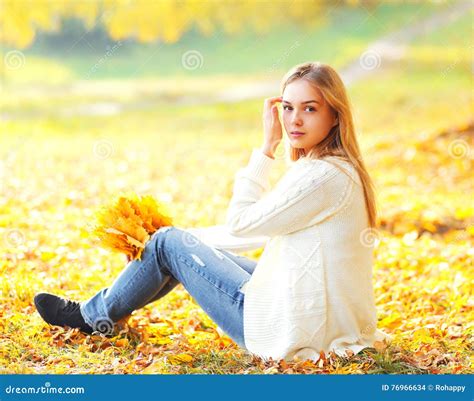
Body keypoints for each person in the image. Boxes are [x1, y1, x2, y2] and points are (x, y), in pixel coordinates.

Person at [34, 61, 391, 363]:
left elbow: (241, 224)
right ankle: (113, 309)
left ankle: (90, 316)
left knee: (168, 245)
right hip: (313, 316)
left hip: (289, 328)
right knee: (170, 245)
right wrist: (174, 243)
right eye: (288, 107)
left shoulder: (322, 176)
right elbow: (263, 231)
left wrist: (266, 149)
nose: (294, 120)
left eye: (310, 108)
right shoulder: (336, 168)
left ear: (334, 116)